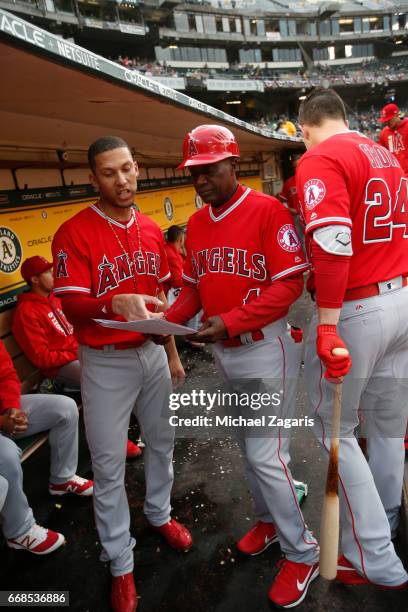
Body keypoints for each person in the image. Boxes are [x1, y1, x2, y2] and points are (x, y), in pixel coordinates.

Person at [165, 125, 319, 609]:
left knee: (265, 455)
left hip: (264, 346)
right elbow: (192, 288)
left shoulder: (267, 211)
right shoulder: (197, 223)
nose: (200, 179)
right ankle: (269, 521)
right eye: (194, 171)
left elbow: (288, 287)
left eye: (209, 168)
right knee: (249, 448)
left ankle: (304, 551)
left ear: (234, 164)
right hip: (225, 351)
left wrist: (230, 320)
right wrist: (162, 323)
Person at [51, 135, 191, 612]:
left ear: (138, 168)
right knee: (109, 466)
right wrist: (110, 301)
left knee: (163, 442)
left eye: (128, 168)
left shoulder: (152, 229)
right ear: (94, 178)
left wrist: (171, 351)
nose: (123, 179)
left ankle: (159, 514)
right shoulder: (73, 231)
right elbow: (70, 303)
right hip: (105, 361)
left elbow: (161, 300)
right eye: (110, 172)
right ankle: (120, 564)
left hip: (151, 355)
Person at [296, 88, 408, 589]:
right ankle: (388, 515)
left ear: (304, 127)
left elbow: (334, 242)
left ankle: (375, 557)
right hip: (402, 295)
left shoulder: (320, 156)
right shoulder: (384, 152)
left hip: (359, 306)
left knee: (335, 429)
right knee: (386, 422)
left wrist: (324, 324)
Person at [12, 256, 141, 460]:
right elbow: (42, 358)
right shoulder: (26, 312)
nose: (54, 274)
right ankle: (112, 441)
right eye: (47, 272)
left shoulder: (56, 298)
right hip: (59, 368)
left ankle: (139, 424)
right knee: (102, 379)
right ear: (34, 280)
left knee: (121, 364)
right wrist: (78, 351)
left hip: (79, 354)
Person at [0, 339, 93, 552]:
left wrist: (11, 409)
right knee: (6, 455)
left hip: (4, 411)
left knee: (65, 408)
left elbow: (5, 375)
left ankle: (62, 479)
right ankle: (19, 531)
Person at [378, 103, 408, 175]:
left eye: (389, 120)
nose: (387, 123)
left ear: (397, 115)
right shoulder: (384, 133)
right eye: (385, 121)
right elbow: (383, 157)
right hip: (396, 176)